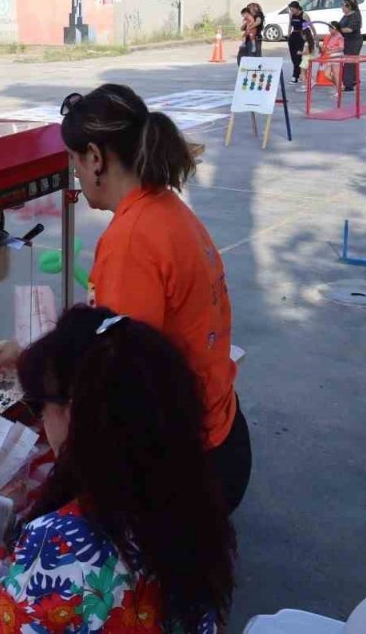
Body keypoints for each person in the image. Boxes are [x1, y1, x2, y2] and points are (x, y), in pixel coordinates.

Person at [0, 306, 235, 634]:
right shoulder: (185, 491)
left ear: (78, 415)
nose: (40, 421)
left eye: (39, 406)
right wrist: (15, 530)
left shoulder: (65, 541)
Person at [60, 85, 250, 512]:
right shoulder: (164, 206)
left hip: (188, 461)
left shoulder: (131, 240)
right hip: (222, 428)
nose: (74, 174)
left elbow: (123, 380)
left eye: (74, 161)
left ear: (95, 157)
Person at [286, 1, 316, 84]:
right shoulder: (291, 14)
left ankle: (295, 76)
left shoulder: (304, 15)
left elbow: (311, 26)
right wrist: (288, 35)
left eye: (292, 9)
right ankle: (299, 74)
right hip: (293, 35)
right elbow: (290, 25)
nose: (291, 11)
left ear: (297, 8)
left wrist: (315, 37)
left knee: (298, 57)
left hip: (301, 36)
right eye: (290, 10)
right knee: (293, 57)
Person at [337, 0, 364, 91]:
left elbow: (349, 29)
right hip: (347, 41)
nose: (341, 7)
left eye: (343, 5)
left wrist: (338, 30)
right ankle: (354, 80)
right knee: (352, 61)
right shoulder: (345, 15)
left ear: (349, 7)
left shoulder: (354, 16)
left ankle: (348, 85)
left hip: (354, 41)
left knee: (349, 62)